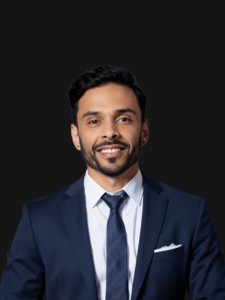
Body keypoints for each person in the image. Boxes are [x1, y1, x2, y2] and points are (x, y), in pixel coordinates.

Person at [0, 65, 224, 300]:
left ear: (144, 131)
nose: (110, 132)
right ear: (76, 136)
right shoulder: (39, 219)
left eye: (123, 119)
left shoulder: (189, 212)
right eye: (94, 121)